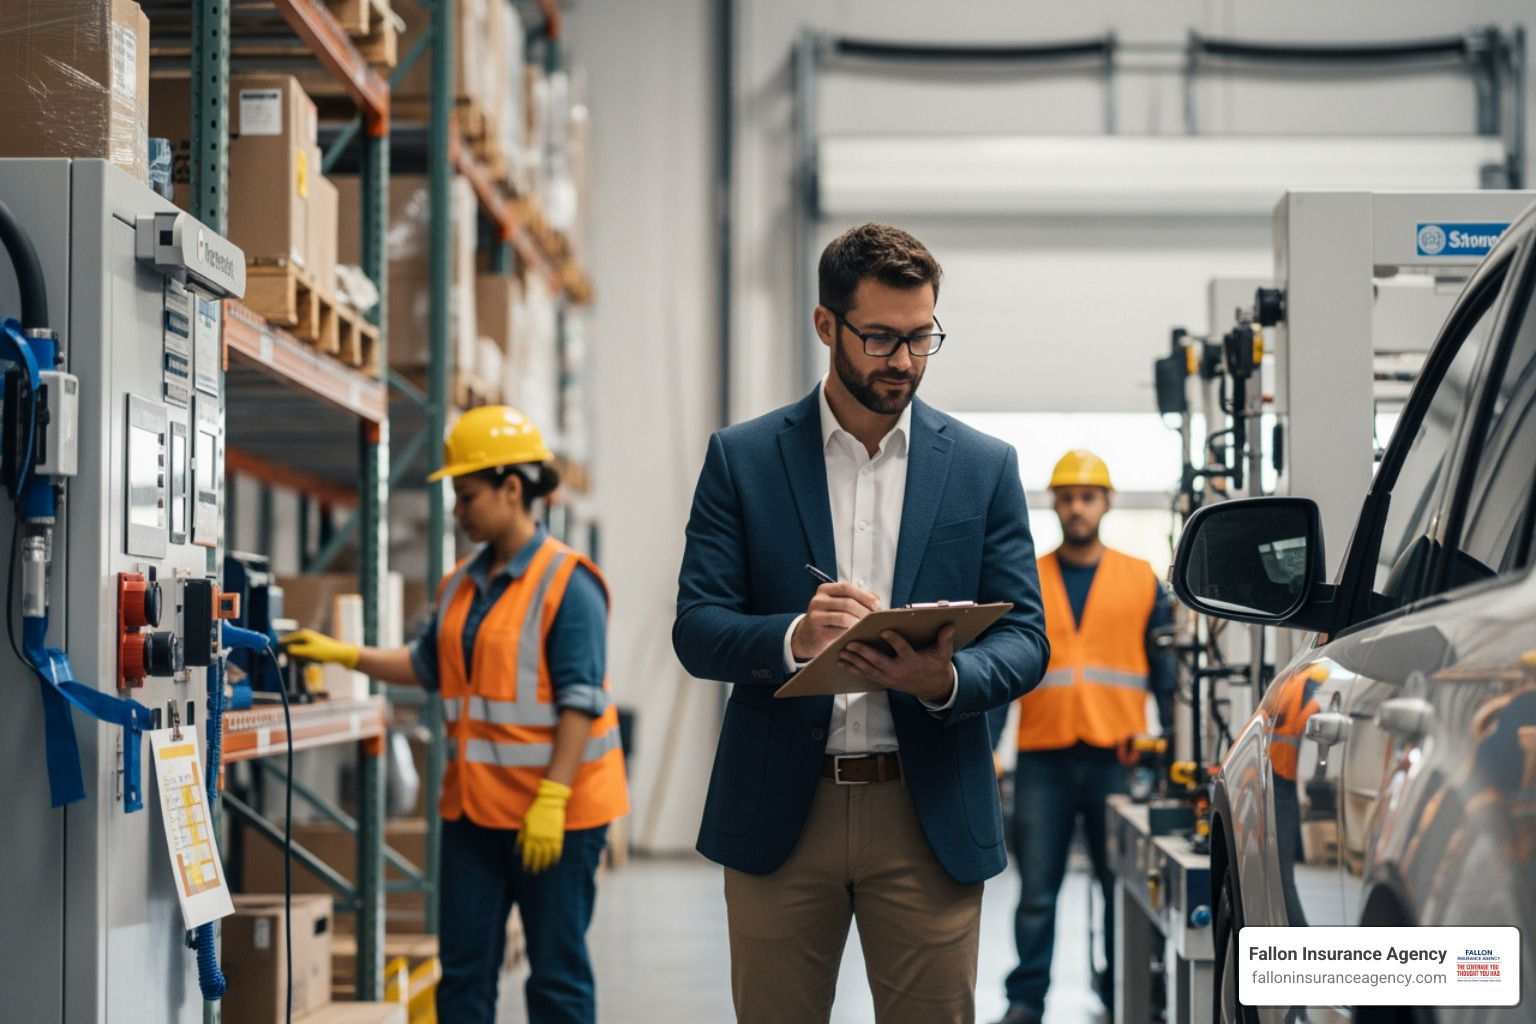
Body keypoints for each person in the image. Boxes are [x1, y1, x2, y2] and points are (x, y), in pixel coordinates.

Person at [673, 223, 1049, 1024]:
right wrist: (793, 639)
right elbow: (697, 627)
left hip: (928, 810)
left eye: (921, 338)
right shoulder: (743, 461)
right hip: (783, 809)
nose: (903, 361)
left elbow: (1027, 640)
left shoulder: (984, 469)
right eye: (880, 337)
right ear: (825, 326)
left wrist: (946, 679)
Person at [284, 405, 628, 1024]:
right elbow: (428, 665)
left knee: (556, 978)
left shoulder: (568, 585)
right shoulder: (459, 586)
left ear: (512, 488)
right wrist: (348, 655)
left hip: (556, 815)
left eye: (467, 495)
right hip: (473, 810)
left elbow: (582, 701)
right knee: (464, 977)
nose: (458, 510)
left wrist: (551, 798)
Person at [995, 450, 1175, 1024]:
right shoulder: (1028, 578)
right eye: (1067, 496)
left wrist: (1174, 752)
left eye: (1087, 496)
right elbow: (1000, 674)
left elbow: (1166, 676)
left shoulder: (1139, 577)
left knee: (1119, 886)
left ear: (1106, 502)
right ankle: (1026, 1001)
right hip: (1043, 756)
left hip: (1116, 758)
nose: (1076, 506)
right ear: (1054, 503)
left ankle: (1124, 992)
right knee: (1036, 893)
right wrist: (986, 752)